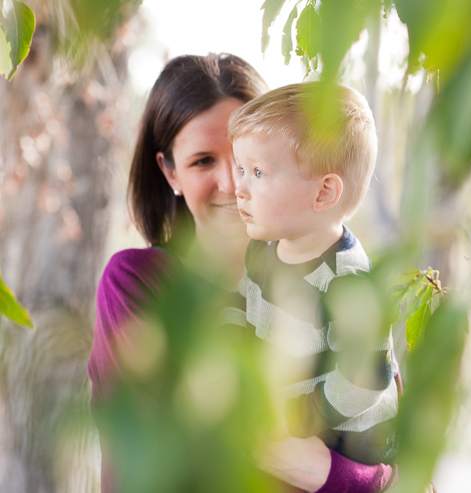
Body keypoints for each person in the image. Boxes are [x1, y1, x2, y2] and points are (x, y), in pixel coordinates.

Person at [87, 54, 397, 493]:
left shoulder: (335, 279)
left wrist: (348, 475)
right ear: (168, 171)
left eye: (250, 165)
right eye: (202, 162)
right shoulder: (139, 285)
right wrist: (355, 481)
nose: (234, 184)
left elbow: (394, 443)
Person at [225, 82, 397, 466]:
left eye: (258, 172)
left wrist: (289, 417)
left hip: (348, 444)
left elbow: (363, 382)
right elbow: (242, 301)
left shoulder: (349, 283)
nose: (239, 188)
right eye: (240, 168)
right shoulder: (263, 250)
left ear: (323, 194)